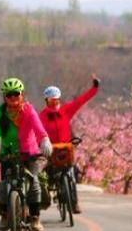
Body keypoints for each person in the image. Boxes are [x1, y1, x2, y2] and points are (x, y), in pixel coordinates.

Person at [0, 78, 52, 231]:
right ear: (4, 97)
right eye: (9, 95)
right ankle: (6, 214)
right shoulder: (0, 113)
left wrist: (44, 140)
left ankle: (35, 217)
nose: (13, 98)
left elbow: (38, 128)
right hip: (8, 153)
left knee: (34, 183)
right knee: (5, 185)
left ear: (22, 95)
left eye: (16, 94)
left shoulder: (29, 110)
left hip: (29, 153)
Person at [39, 76, 100, 213]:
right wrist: (41, 143)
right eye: (51, 100)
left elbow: (81, 100)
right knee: (46, 177)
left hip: (66, 150)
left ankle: (74, 203)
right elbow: (36, 131)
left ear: (59, 100)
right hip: (51, 151)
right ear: (46, 101)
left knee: (73, 173)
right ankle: (45, 200)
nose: (54, 103)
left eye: (56, 100)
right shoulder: (42, 116)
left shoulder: (66, 110)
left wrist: (94, 88)